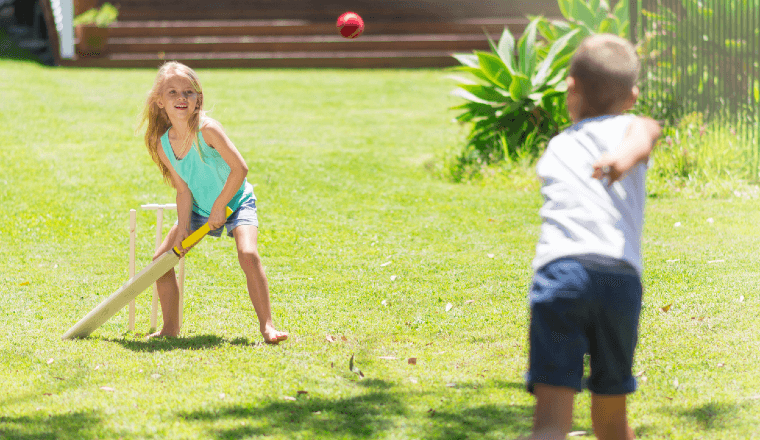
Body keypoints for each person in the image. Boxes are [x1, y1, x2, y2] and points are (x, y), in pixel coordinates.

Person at [523, 34, 662, 440]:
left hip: (561, 275)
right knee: (612, 423)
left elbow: (641, 135)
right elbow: (647, 132)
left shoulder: (558, 146)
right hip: (618, 281)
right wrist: (624, 158)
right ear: (633, 96)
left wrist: (620, 159)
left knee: (550, 424)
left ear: (571, 90)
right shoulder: (632, 128)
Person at [138, 61, 288, 344]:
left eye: (188, 92)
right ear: (160, 102)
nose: (181, 97)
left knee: (248, 254)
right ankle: (170, 329)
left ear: (198, 100)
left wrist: (220, 207)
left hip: (236, 202)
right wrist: (183, 226)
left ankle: (267, 326)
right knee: (161, 263)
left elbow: (240, 169)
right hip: (197, 209)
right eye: (172, 92)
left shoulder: (208, 130)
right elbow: (183, 190)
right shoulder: (164, 144)